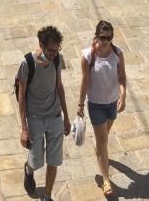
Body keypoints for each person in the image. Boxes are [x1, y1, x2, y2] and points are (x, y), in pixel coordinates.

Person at [17, 25, 70, 201]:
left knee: (54, 161)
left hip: (54, 116)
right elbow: (22, 96)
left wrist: (66, 118)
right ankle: (28, 169)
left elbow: (59, 87)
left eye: (57, 49)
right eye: (51, 50)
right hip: (35, 119)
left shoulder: (57, 59)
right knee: (36, 161)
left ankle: (47, 196)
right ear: (41, 44)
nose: (55, 53)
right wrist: (24, 128)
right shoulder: (27, 63)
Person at [77, 21, 127, 198]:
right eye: (103, 37)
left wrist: (123, 95)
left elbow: (122, 77)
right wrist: (81, 105)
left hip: (112, 103)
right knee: (103, 141)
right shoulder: (88, 56)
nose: (106, 41)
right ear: (96, 36)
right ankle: (106, 180)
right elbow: (85, 82)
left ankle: (99, 152)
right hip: (96, 104)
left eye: (110, 37)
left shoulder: (117, 53)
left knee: (104, 137)